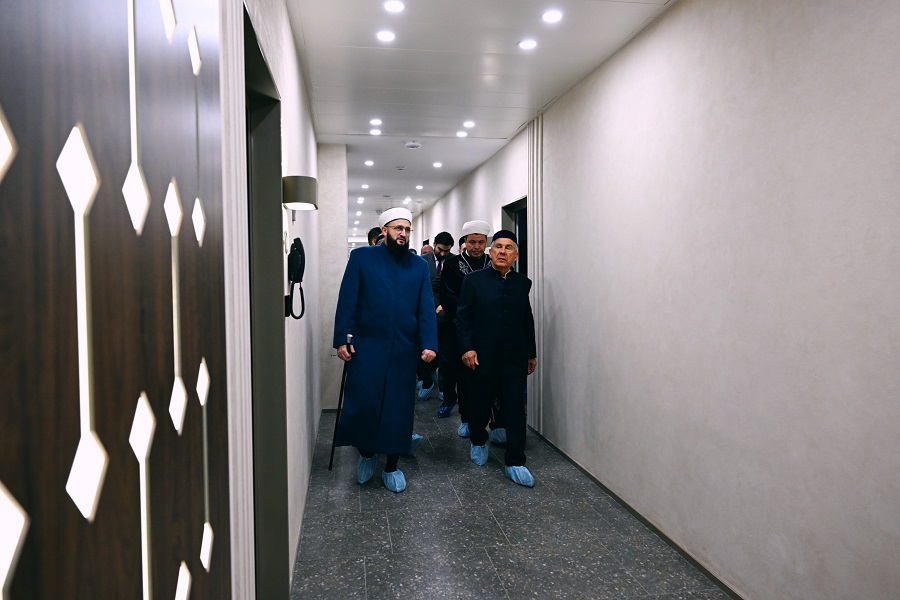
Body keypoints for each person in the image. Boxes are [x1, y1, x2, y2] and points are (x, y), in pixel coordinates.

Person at [333, 207, 438, 493]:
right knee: (365, 402)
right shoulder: (361, 258)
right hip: (367, 346)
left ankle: (391, 465)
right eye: (397, 228)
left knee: (397, 408)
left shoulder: (418, 266)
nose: (403, 234)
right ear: (384, 231)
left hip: (404, 349)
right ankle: (367, 454)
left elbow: (426, 307)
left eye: (407, 229)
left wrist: (429, 343)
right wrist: (342, 338)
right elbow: (347, 300)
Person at [456, 230, 537, 487]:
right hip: (481, 357)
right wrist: (467, 348)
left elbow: (526, 319)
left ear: (516, 255)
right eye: (498, 247)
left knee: (515, 408)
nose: (502, 251)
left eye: (508, 248)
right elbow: (463, 318)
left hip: (514, 357)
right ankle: (478, 440)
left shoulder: (522, 283)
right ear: (491, 252)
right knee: (480, 404)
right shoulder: (474, 280)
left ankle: (515, 461)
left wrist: (531, 353)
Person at [436, 220, 504, 442]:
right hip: (460, 328)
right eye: (472, 242)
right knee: (464, 376)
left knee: (493, 376)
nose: (476, 246)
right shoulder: (453, 264)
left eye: (481, 242)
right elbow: (448, 297)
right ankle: (466, 418)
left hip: (490, 330)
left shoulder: (492, 261)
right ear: (465, 241)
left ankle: (496, 421)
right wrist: (470, 315)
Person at [418, 231, 454, 400]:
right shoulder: (422, 261)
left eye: (447, 250)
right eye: (440, 249)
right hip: (427, 313)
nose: (443, 253)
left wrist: (445, 306)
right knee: (423, 350)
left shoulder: (454, 262)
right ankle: (426, 380)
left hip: (447, 316)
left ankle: (444, 388)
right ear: (434, 245)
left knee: (445, 356)